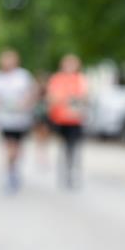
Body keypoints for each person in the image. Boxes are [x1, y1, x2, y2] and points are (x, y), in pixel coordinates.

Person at [0, 49, 37, 193]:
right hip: (4, 119)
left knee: (17, 147)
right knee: (9, 147)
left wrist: (26, 103)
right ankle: (10, 173)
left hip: (20, 119)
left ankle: (14, 169)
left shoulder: (23, 76)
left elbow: (32, 92)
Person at [46, 54, 88, 190]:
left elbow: (84, 98)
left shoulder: (80, 79)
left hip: (75, 120)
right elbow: (53, 98)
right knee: (63, 147)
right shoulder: (57, 79)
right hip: (61, 119)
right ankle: (63, 172)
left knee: (74, 148)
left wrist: (70, 100)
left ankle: (72, 173)